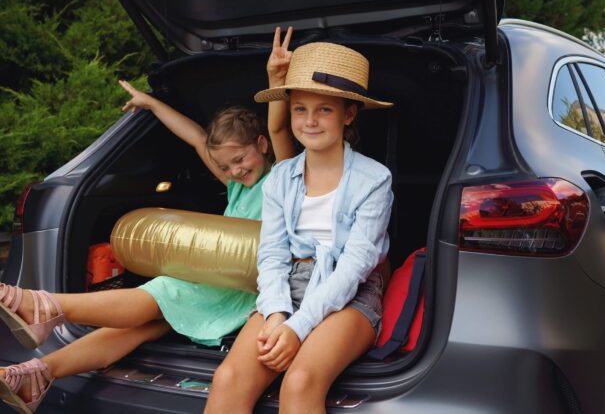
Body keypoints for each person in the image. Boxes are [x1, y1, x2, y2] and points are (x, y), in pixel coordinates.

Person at [0, 28, 297, 414]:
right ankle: (39, 373)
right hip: (214, 284)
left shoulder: (284, 177)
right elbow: (195, 138)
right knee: (136, 325)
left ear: (262, 146)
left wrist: (277, 81)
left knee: (165, 289)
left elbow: (279, 129)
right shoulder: (237, 186)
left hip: (248, 289)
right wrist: (154, 106)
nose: (236, 171)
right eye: (226, 166)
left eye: (241, 160)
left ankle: (44, 305)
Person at [204, 41, 394, 413]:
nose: (309, 121)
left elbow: (356, 265)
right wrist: (276, 314)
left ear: (349, 114)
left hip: (350, 293)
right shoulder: (280, 177)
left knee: (301, 380)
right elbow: (272, 255)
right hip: (287, 286)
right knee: (228, 379)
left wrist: (298, 326)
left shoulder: (375, 180)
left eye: (324, 109)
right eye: (300, 109)